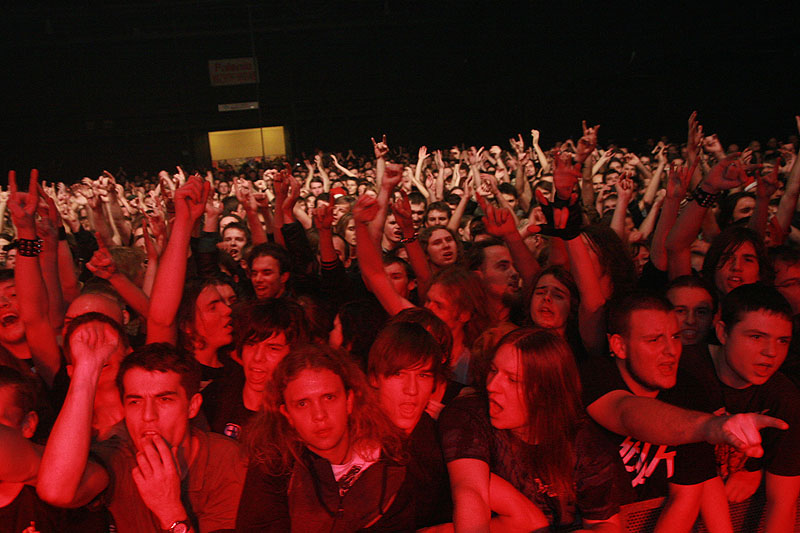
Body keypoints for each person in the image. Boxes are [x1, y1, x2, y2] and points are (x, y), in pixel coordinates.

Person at [582, 292, 787, 531]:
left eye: (675, 336)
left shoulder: (688, 389)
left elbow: (688, 494)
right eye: (654, 340)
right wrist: (710, 426)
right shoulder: (594, 375)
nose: (671, 350)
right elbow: (625, 413)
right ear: (619, 346)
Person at [37, 338, 245, 533]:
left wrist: (169, 509)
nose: (148, 416)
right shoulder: (119, 454)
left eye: (164, 400)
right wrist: (86, 371)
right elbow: (55, 492)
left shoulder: (225, 460)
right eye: (135, 402)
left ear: (192, 406)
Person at [439, 328, 628, 531]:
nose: (492, 385)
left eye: (512, 379)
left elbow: (606, 524)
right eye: (493, 371)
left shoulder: (583, 441)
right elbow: (470, 491)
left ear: (546, 393)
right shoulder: (470, 416)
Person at [237, 345, 414, 532]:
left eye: (329, 398)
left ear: (349, 401)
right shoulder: (273, 466)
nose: (319, 415)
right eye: (303, 404)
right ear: (287, 413)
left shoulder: (391, 462)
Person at [696, 284, 800, 531]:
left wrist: (754, 470)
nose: (771, 352)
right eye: (756, 337)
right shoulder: (687, 375)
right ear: (722, 333)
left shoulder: (784, 397)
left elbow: (783, 503)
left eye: (782, 341)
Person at [366, 321, 452, 529]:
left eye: (422, 375)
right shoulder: (351, 437)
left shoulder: (442, 439)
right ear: (375, 378)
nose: (411, 389)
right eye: (399, 374)